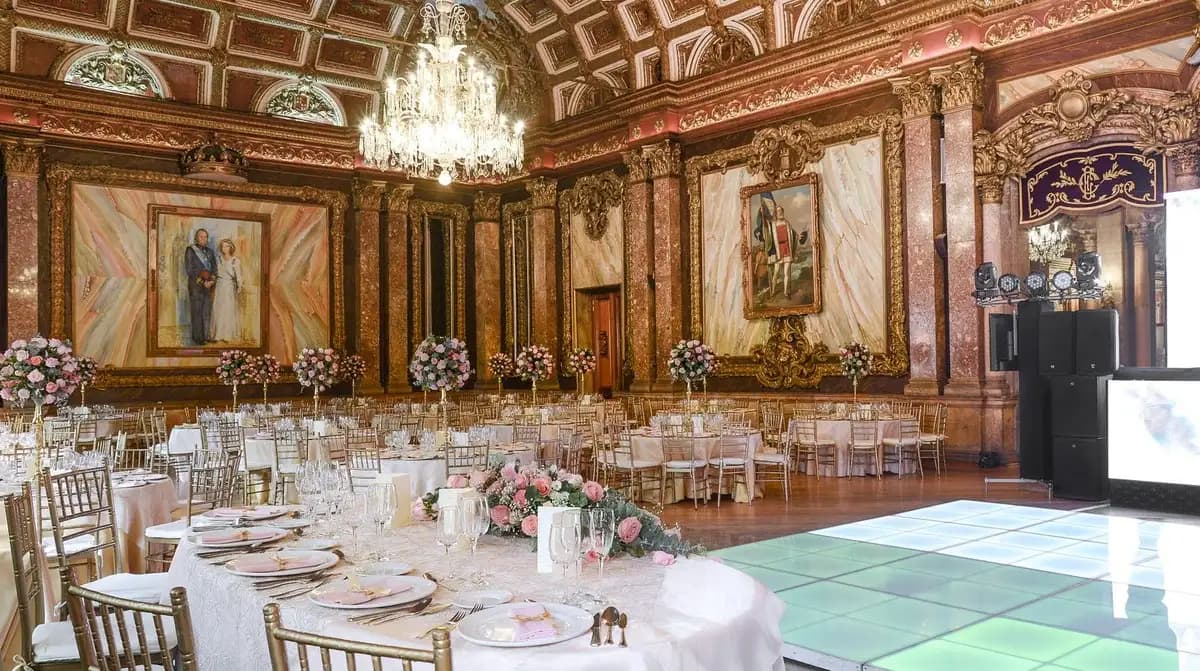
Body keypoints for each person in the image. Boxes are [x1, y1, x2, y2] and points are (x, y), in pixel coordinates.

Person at [184, 228, 217, 346]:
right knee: (197, 312)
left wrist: (212, 281)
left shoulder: (210, 252)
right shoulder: (190, 250)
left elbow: (214, 268)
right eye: (201, 237)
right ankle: (198, 338)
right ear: (196, 238)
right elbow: (189, 270)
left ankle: (207, 336)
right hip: (196, 286)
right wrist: (203, 282)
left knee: (207, 312)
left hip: (209, 286)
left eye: (205, 237)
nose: (203, 239)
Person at [210, 238, 243, 343]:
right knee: (218, 309)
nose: (224, 248)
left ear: (231, 247)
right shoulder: (218, 259)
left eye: (226, 246)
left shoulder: (235, 261)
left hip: (229, 287)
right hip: (219, 286)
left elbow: (238, 276)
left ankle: (227, 335)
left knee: (227, 310)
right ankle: (218, 334)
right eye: (223, 246)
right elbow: (214, 273)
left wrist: (239, 286)